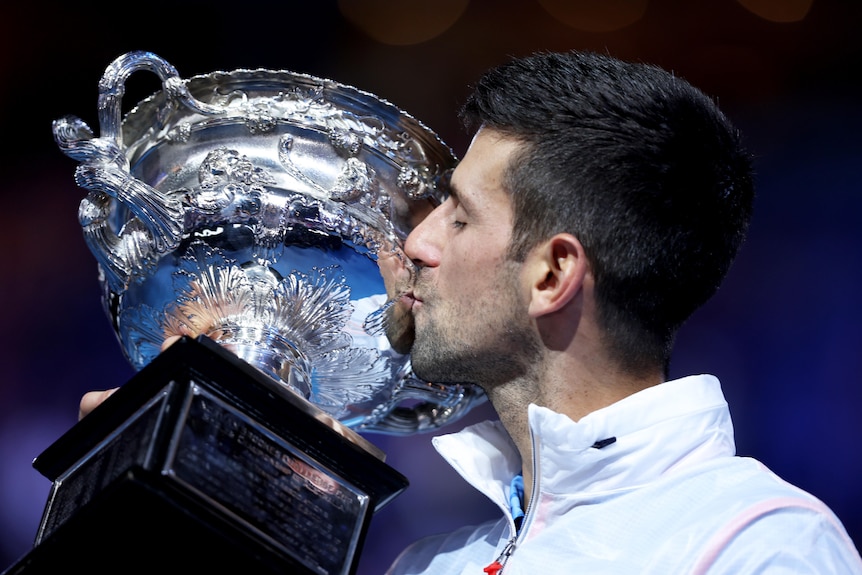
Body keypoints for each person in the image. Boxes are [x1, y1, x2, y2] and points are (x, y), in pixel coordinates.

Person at [80, 50, 862, 573]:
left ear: (552, 272)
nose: (413, 243)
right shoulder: (433, 563)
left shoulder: (760, 543)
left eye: (455, 215)